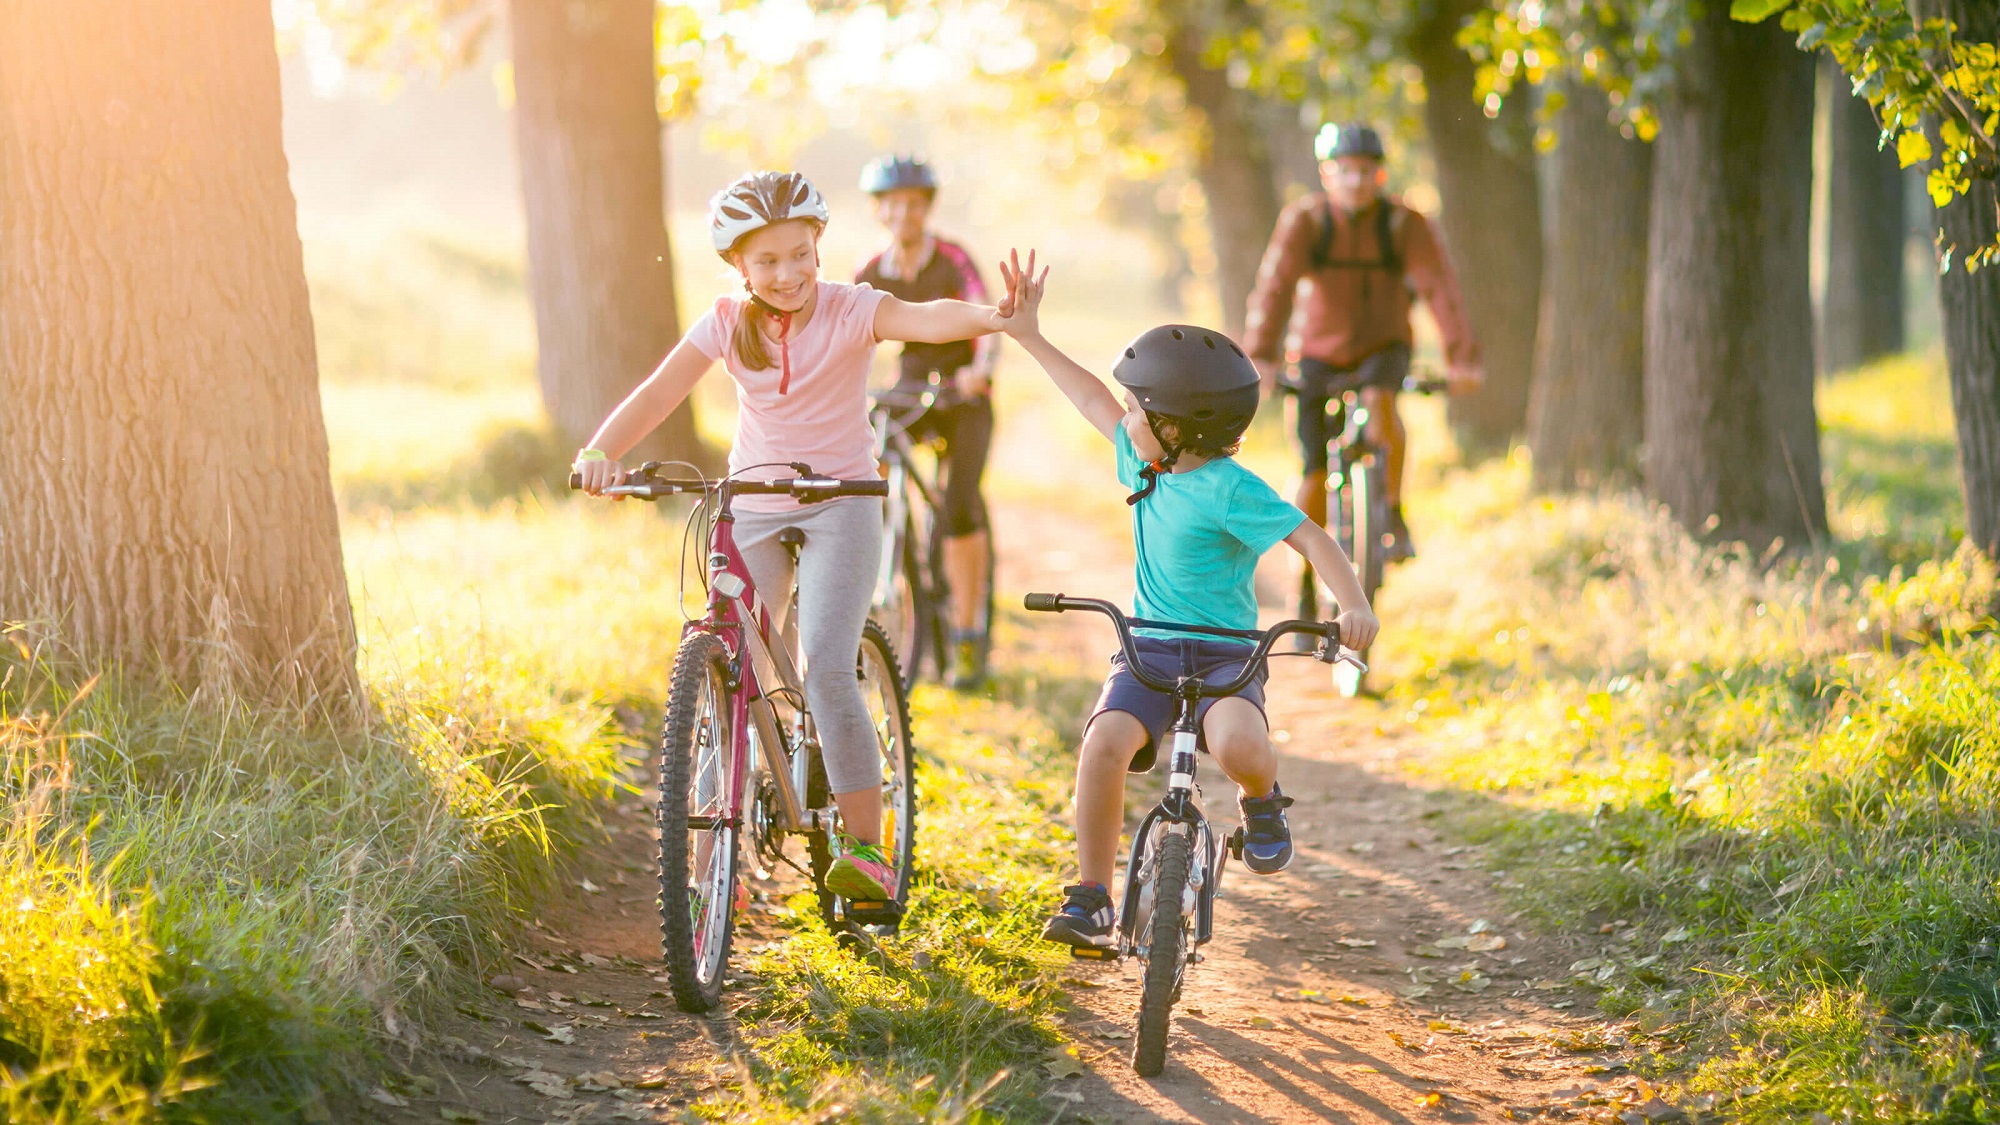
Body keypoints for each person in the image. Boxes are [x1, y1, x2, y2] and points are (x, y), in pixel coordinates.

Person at [573, 171, 1017, 903]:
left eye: (798, 255)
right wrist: (600, 450)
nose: (787, 274)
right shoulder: (723, 321)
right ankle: (719, 854)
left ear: (819, 248)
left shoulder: (850, 308)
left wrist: (994, 318)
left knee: (826, 669)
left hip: (842, 501)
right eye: (767, 261)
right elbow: (659, 391)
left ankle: (869, 849)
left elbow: (927, 316)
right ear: (739, 268)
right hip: (754, 501)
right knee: (734, 659)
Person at [994, 251, 1381, 952]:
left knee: (1239, 745)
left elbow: (1314, 538)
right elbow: (1087, 397)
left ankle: (1262, 802)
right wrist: (1028, 335)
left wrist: (1352, 602)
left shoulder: (1234, 489)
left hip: (1228, 654)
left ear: (1178, 428)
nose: (1125, 415)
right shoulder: (1142, 457)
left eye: (1138, 408)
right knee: (1104, 741)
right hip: (1149, 643)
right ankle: (1091, 896)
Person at [1243, 122, 1484, 561]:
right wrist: (1261, 355)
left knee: (1380, 403)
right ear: (1326, 173)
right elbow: (1274, 288)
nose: (1356, 181)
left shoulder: (1403, 223)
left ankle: (1391, 513)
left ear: (1381, 175)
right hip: (1316, 350)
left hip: (1383, 346)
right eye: (1346, 170)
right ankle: (1307, 569)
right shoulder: (1306, 221)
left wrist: (1462, 357)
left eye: (1366, 171)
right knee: (1312, 470)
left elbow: (1439, 288)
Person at [855, 155, 999, 690]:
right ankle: (892, 549)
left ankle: (967, 634)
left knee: (959, 508)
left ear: (926, 208)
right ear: (878, 211)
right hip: (909, 390)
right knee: (865, 465)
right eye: (892, 204)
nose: (902, 213)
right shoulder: (871, 271)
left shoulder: (954, 258)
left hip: (962, 393)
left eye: (913, 204)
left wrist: (980, 371)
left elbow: (986, 318)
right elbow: (844, 334)